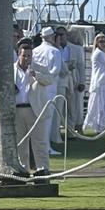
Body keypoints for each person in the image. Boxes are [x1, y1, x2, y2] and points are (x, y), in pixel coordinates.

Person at [14, 43, 52, 173]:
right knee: (20, 143)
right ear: (19, 54)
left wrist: (36, 75)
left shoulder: (39, 68)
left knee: (39, 142)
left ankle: (43, 169)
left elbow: (49, 80)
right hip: (17, 110)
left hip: (35, 110)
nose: (26, 58)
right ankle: (23, 170)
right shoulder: (11, 69)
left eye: (29, 56)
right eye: (24, 55)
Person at [32, 27, 62, 155]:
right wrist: (45, 75)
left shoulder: (34, 51)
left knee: (37, 117)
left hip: (35, 87)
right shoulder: (55, 51)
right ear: (51, 37)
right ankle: (46, 147)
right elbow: (55, 71)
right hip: (49, 87)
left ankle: (39, 146)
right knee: (47, 119)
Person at [56, 26, 86, 132]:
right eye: (57, 35)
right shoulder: (54, 49)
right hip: (59, 82)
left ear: (66, 35)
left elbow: (81, 67)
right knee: (60, 107)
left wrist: (82, 82)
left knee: (74, 107)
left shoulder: (76, 49)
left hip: (74, 81)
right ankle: (59, 130)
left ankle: (72, 129)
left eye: (62, 34)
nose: (60, 37)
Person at [83, 34, 105, 132]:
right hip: (99, 83)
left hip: (104, 82)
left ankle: (100, 126)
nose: (104, 44)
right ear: (97, 43)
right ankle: (96, 126)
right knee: (98, 107)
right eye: (101, 42)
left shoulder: (103, 53)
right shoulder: (99, 53)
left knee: (103, 106)